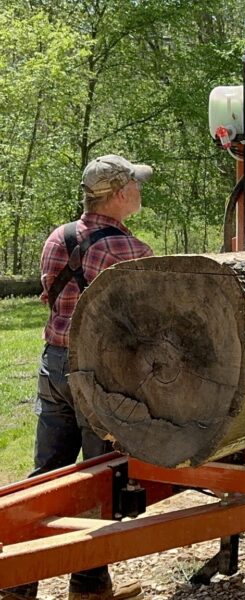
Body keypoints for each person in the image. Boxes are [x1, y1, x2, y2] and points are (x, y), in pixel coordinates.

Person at [1, 155, 154, 600]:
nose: (140, 191)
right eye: (136, 185)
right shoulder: (129, 250)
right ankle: (88, 586)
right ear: (120, 194)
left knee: (45, 477)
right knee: (96, 480)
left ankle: (17, 583)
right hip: (97, 374)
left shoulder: (59, 236)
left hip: (53, 366)